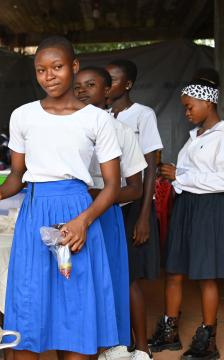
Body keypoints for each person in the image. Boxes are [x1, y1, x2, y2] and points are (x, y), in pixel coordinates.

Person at [0, 36, 122, 360]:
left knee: (76, 310)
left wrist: (83, 221)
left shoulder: (96, 119)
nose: (49, 76)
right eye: (41, 70)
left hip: (78, 215)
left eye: (57, 67)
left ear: (74, 66)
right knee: (29, 308)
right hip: (35, 213)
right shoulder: (23, 116)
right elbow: (17, 174)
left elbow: (112, 185)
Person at [74, 67, 148, 360]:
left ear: (107, 92)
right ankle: (83, 345)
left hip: (105, 218)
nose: (82, 91)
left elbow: (135, 189)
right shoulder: (63, 125)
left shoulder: (121, 131)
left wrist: (97, 196)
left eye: (90, 85)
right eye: (77, 86)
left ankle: (124, 347)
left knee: (112, 281)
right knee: (79, 281)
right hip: (70, 214)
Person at [148, 70, 222, 360]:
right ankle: (170, 332)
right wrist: (175, 175)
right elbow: (193, 175)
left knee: (206, 275)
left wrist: (181, 175)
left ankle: (208, 339)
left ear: (209, 104)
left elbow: (222, 179)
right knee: (175, 271)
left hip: (209, 209)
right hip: (186, 207)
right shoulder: (195, 137)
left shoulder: (222, 136)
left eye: (190, 106)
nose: (187, 112)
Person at [106, 59, 163, 359]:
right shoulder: (101, 116)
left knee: (129, 277)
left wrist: (143, 216)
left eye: (113, 79)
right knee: (115, 275)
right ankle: (121, 342)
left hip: (134, 207)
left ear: (127, 84)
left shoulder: (142, 115)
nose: (107, 83)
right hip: (111, 205)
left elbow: (151, 164)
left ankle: (142, 348)